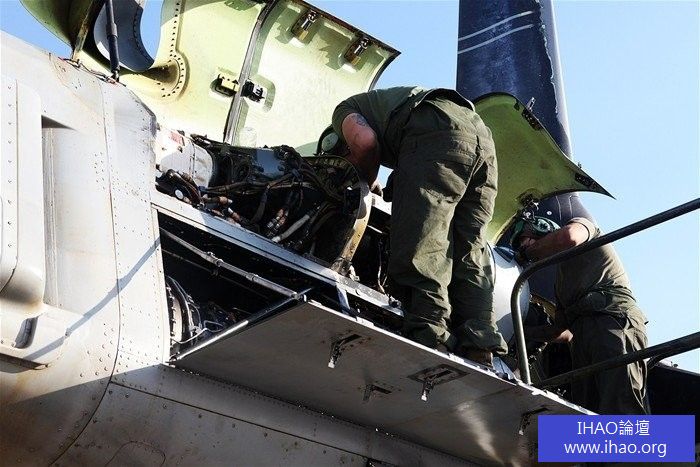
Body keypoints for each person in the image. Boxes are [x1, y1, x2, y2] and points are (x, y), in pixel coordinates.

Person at [326, 86, 507, 366]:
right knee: (470, 247)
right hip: (482, 138)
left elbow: (364, 142)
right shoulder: (383, 106)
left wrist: (365, 181)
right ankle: (479, 344)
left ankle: (430, 334)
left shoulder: (344, 110)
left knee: (422, 240)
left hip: (436, 127)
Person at [511, 216, 648, 414]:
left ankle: (679, 435)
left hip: (613, 323)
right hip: (583, 341)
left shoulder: (585, 228)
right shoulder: (561, 281)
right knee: (588, 413)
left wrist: (526, 254)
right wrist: (519, 331)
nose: (524, 249)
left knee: (621, 406)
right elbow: (561, 331)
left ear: (542, 229)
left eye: (526, 241)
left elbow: (569, 237)